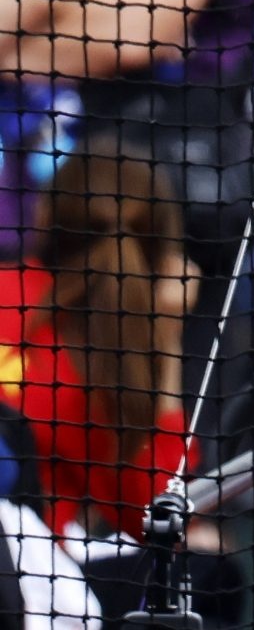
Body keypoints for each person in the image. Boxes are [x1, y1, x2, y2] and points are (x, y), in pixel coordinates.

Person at [0, 142, 198, 544]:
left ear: (44, 216)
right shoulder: (105, 354)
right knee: (213, 568)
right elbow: (156, 515)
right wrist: (165, 333)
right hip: (23, 576)